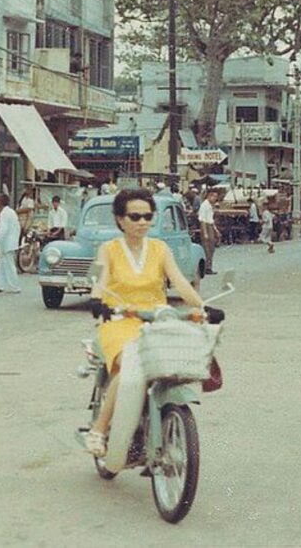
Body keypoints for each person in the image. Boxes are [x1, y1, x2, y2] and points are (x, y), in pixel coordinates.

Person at [84, 189, 206, 457]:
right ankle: (99, 429)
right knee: (128, 368)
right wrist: (97, 300)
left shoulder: (160, 249)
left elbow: (180, 281)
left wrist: (201, 306)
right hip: (119, 321)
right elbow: (99, 279)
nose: (142, 222)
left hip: (155, 320)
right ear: (120, 219)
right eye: (135, 216)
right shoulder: (108, 249)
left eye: (148, 216)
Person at [0, 193, 21, 294]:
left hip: (7, 242)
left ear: (0, 203)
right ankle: (1, 285)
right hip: (8, 242)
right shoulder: (10, 212)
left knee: (9, 265)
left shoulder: (5, 213)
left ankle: (15, 286)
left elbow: (3, 230)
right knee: (1, 264)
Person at [198, 189, 222, 275]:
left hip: (210, 226)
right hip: (206, 227)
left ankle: (209, 266)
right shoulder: (204, 205)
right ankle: (206, 268)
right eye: (214, 196)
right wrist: (205, 233)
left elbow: (211, 220)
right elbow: (203, 220)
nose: (215, 198)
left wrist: (216, 230)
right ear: (209, 196)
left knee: (211, 248)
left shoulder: (210, 206)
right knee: (207, 248)